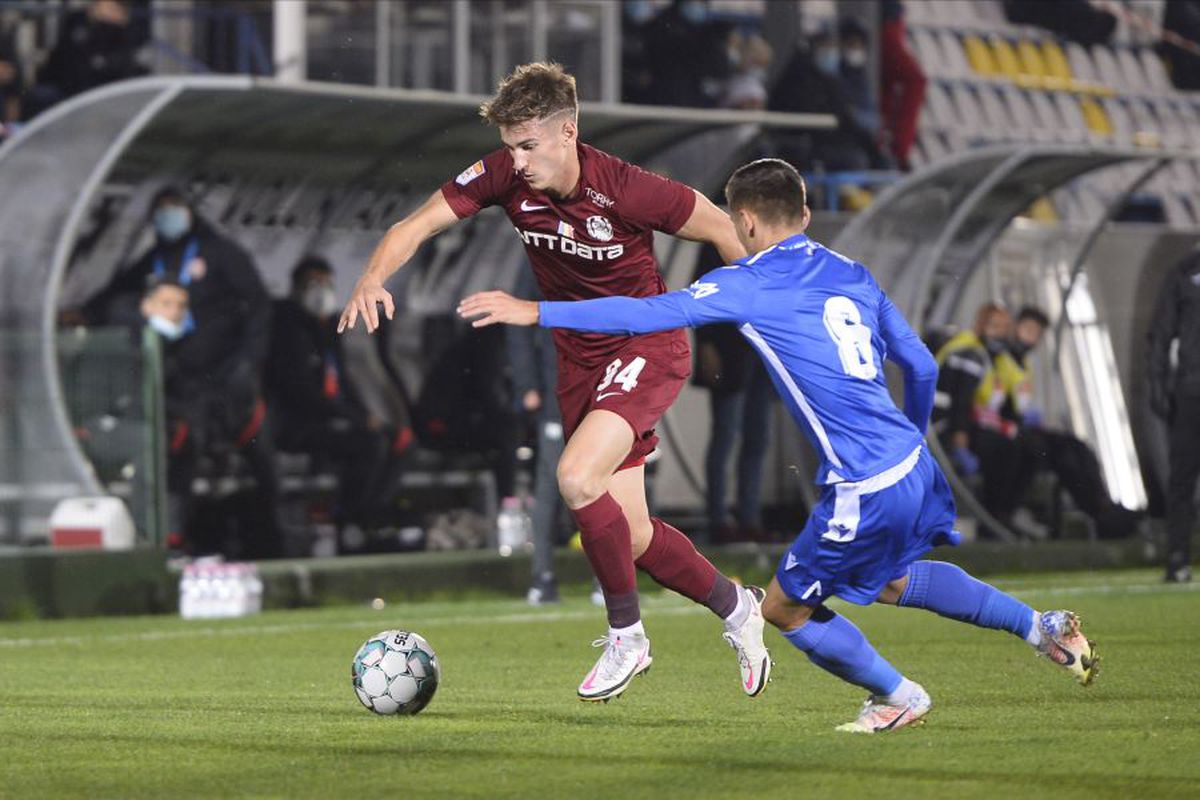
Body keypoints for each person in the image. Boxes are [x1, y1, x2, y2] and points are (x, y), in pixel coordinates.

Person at [459, 157, 1099, 732]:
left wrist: (537, 311)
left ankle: (898, 696)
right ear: (806, 213)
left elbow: (643, 313)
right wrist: (913, 434)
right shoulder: (852, 270)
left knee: (782, 609)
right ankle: (1038, 627)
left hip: (864, 483)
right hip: (910, 461)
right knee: (891, 582)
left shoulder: (750, 284)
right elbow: (922, 367)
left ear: (743, 223)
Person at [338, 62, 769, 703]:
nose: (517, 160)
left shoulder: (627, 188)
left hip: (646, 343)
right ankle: (737, 606)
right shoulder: (504, 176)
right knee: (635, 533)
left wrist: (765, 311)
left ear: (568, 131)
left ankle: (628, 637)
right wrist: (373, 277)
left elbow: (729, 234)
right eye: (510, 146)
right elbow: (415, 226)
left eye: (528, 145)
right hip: (579, 360)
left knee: (573, 477)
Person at [84, 185, 282, 557]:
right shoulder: (156, 262)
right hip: (180, 389)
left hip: (225, 378)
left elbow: (257, 305)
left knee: (255, 451)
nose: (168, 216)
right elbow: (116, 295)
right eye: (160, 209)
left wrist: (247, 360)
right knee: (175, 443)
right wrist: (85, 312)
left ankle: (272, 538)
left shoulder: (221, 253)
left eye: (174, 208)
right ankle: (170, 537)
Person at [266, 256, 396, 536]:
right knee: (370, 445)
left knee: (395, 440)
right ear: (297, 288)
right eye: (313, 283)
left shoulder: (328, 328)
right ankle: (348, 520)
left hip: (332, 416)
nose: (321, 290)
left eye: (326, 284)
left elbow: (343, 381)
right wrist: (355, 418)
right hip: (300, 425)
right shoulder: (287, 329)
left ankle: (373, 516)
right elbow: (302, 393)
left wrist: (363, 415)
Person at [1005, 306, 1143, 539]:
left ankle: (1103, 503)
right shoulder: (1002, 358)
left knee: (1077, 446)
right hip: (1009, 429)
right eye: (1028, 329)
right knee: (1062, 456)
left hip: (1022, 426)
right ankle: (1099, 512)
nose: (1031, 337)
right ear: (1015, 327)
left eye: (1036, 333)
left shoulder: (1021, 362)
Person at [690, 244, 774, 542]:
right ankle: (719, 519)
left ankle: (750, 518)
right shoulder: (718, 236)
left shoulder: (771, 238)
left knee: (757, 438)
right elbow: (701, 291)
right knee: (726, 435)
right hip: (729, 351)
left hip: (763, 354)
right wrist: (706, 343)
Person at [506, 269, 569, 605]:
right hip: (557, 394)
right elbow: (517, 324)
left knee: (610, 492)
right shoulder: (537, 247)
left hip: (607, 391)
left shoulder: (616, 240)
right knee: (550, 489)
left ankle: (610, 583)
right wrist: (527, 384)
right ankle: (543, 577)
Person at [932, 303, 1024, 530]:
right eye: (994, 326)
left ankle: (1003, 515)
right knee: (1004, 450)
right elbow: (961, 404)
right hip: (945, 428)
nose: (1000, 333)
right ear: (979, 326)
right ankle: (995, 518)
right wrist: (960, 444)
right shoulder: (968, 354)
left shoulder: (998, 359)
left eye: (1004, 327)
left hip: (969, 423)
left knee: (1022, 446)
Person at [1148, 249, 1200, 583]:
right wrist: (1157, 383)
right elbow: (1162, 330)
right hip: (1192, 389)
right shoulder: (1185, 270)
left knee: (1181, 478)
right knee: (1182, 477)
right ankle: (1178, 557)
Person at [879, 0, 926, 171]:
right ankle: (898, 149)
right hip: (884, 20)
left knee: (886, 86)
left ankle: (891, 146)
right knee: (912, 80)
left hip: (888, 18)